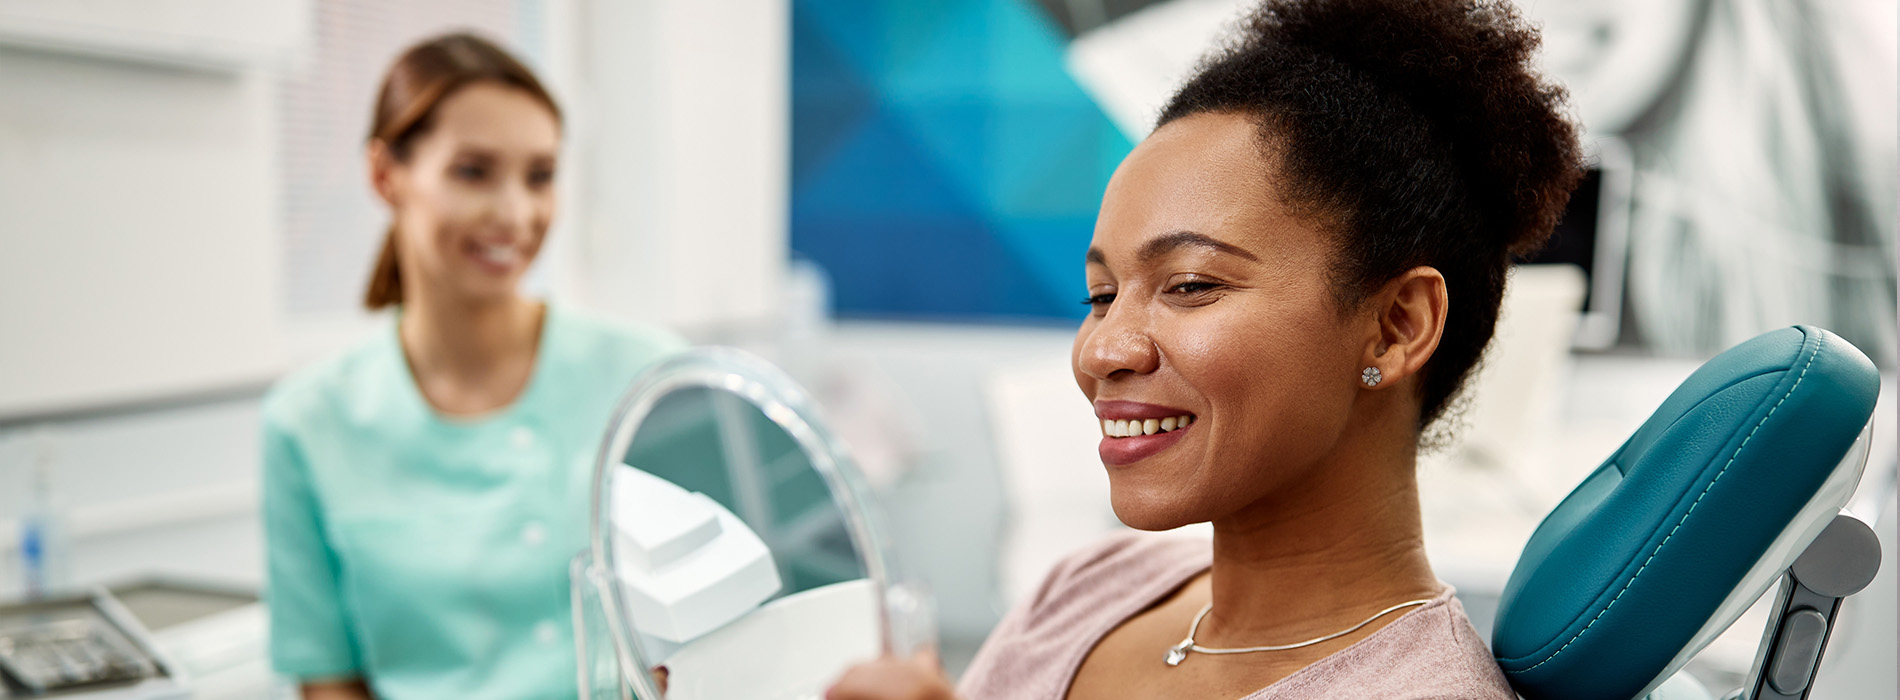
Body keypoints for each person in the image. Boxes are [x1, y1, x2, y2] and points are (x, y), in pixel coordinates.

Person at [827, 0, 1582, 698]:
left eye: (1189, 284)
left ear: (1397, 325)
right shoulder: (1093, 587)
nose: (1101, 351)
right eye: (1101, 295)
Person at [261, 33, 684, 700]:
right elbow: (329, 682)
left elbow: (724, 643)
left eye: (540, 176)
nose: (516, 214)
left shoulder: (650, 379)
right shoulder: (308, 422)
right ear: (384, 175)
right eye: (473, 172)